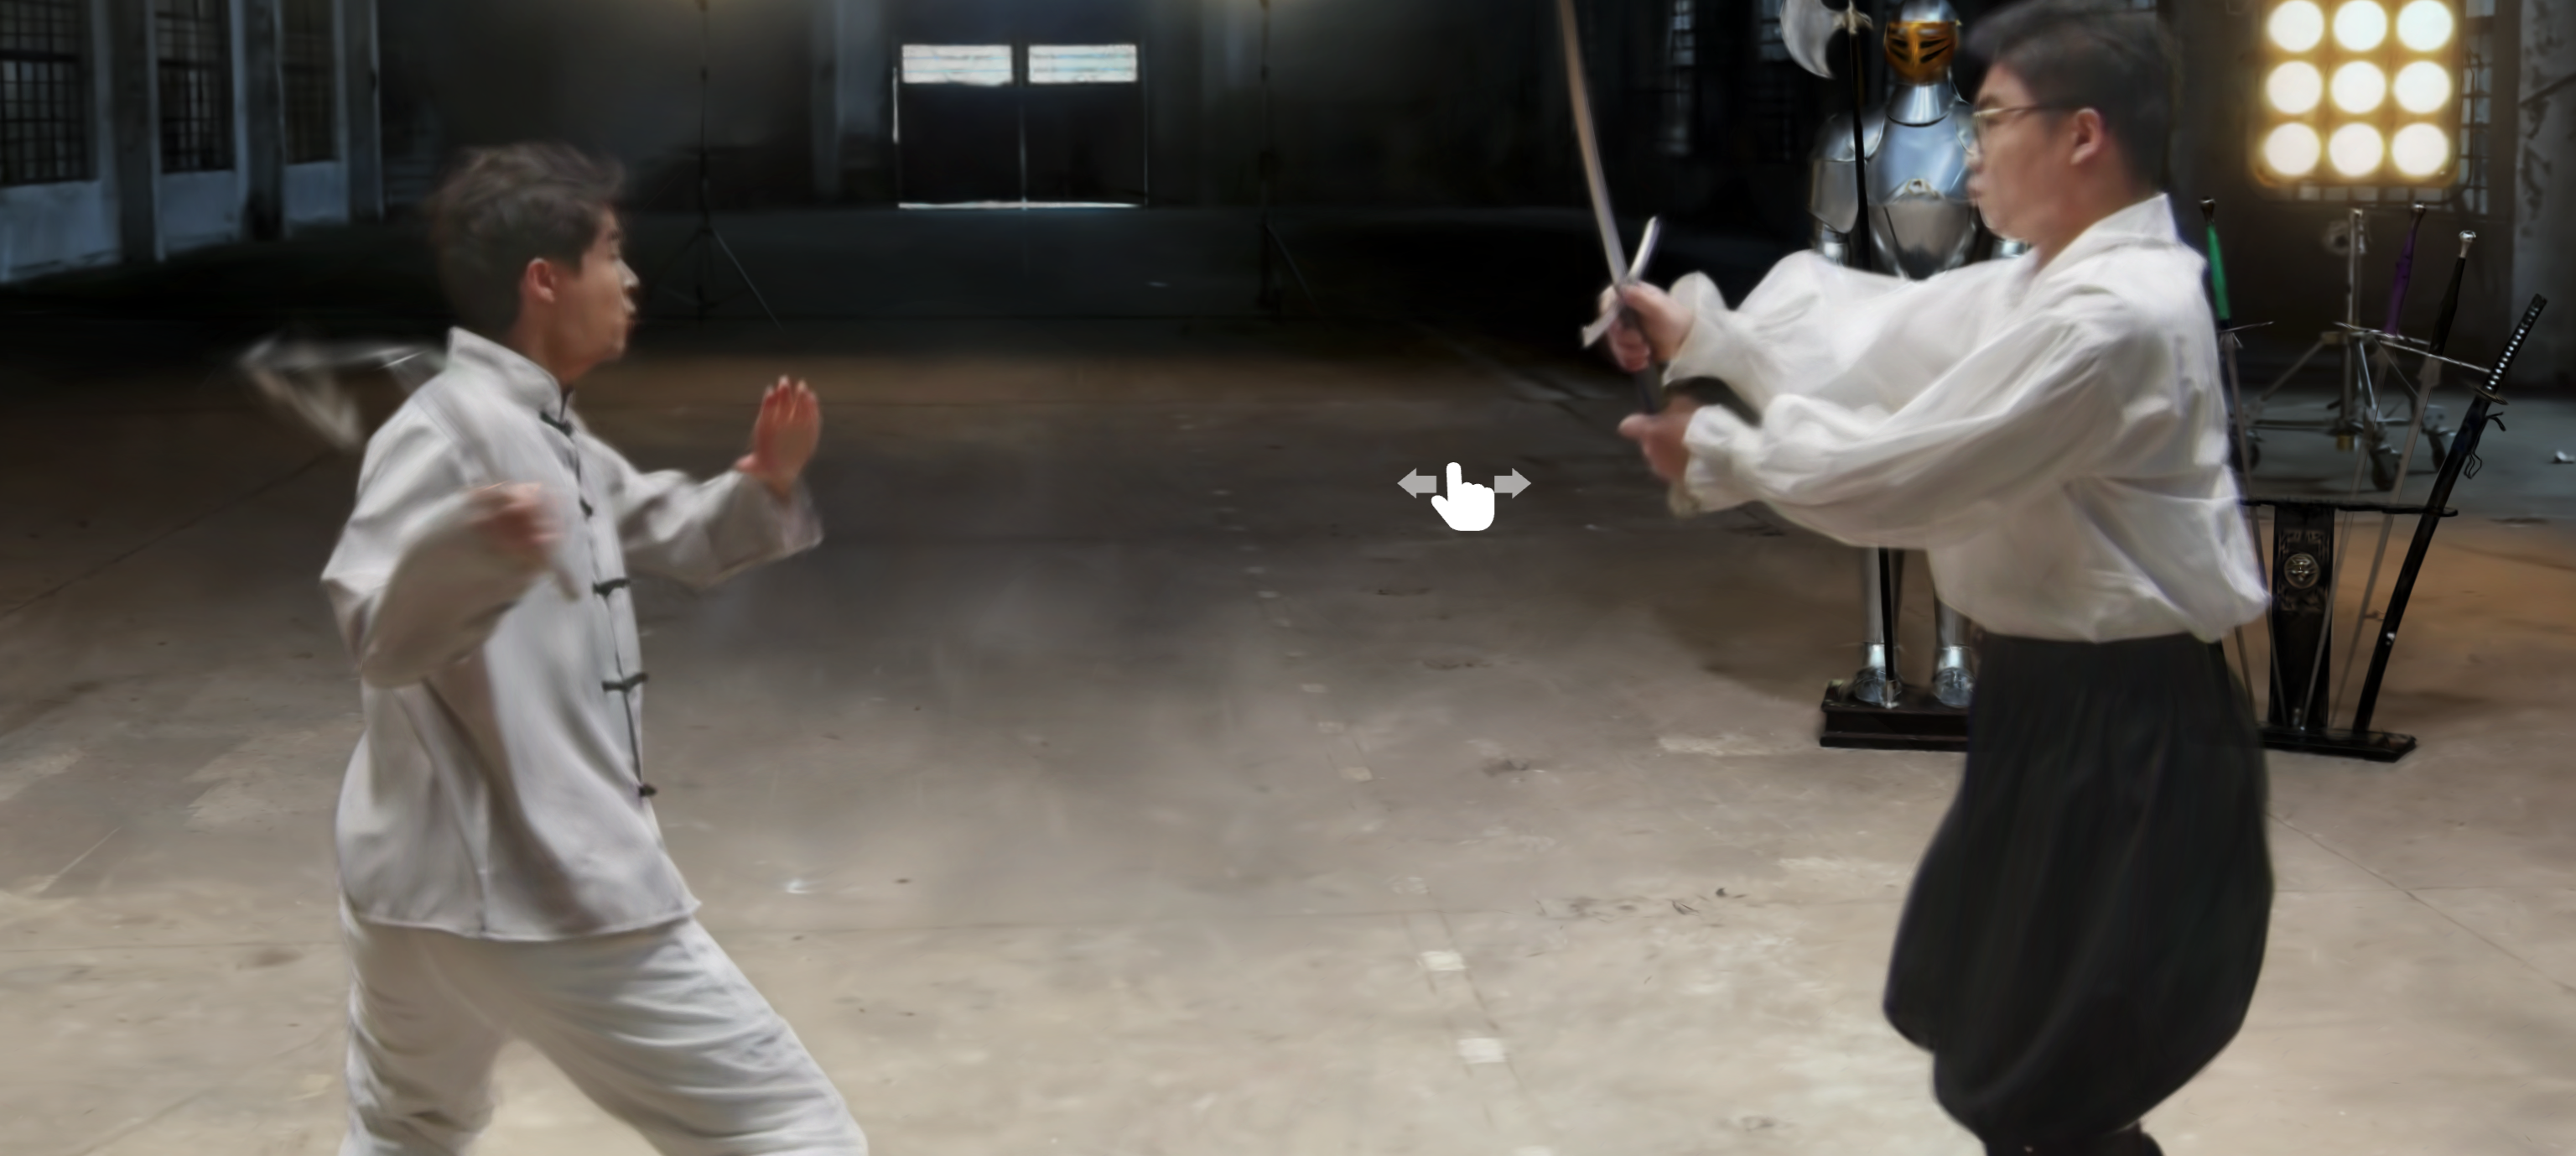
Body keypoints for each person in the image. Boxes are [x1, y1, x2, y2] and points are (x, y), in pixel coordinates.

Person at [1603, 3, 2274, 1153]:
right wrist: (1700, 338)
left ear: (2082, 135)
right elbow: (1885, 333)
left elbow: (1914, 467)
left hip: (2131, 733)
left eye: (1994, 119)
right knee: (1999, 1037)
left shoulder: (2116, 319)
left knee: (2045, 1078)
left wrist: (1721, 452)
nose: (1968, 151)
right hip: (2053, 711)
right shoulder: (2052, 284)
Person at [320, 143, 867, 1155]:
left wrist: (765, 484)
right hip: (537, 885)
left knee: (407, 1128)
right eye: (612, 252)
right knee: (793, 1131)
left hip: (411, 899)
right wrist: (467, 554)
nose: (631, 279)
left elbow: (663, 523)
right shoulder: (446, 434)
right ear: (545, 280)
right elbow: (378, 632)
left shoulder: (532, 424)